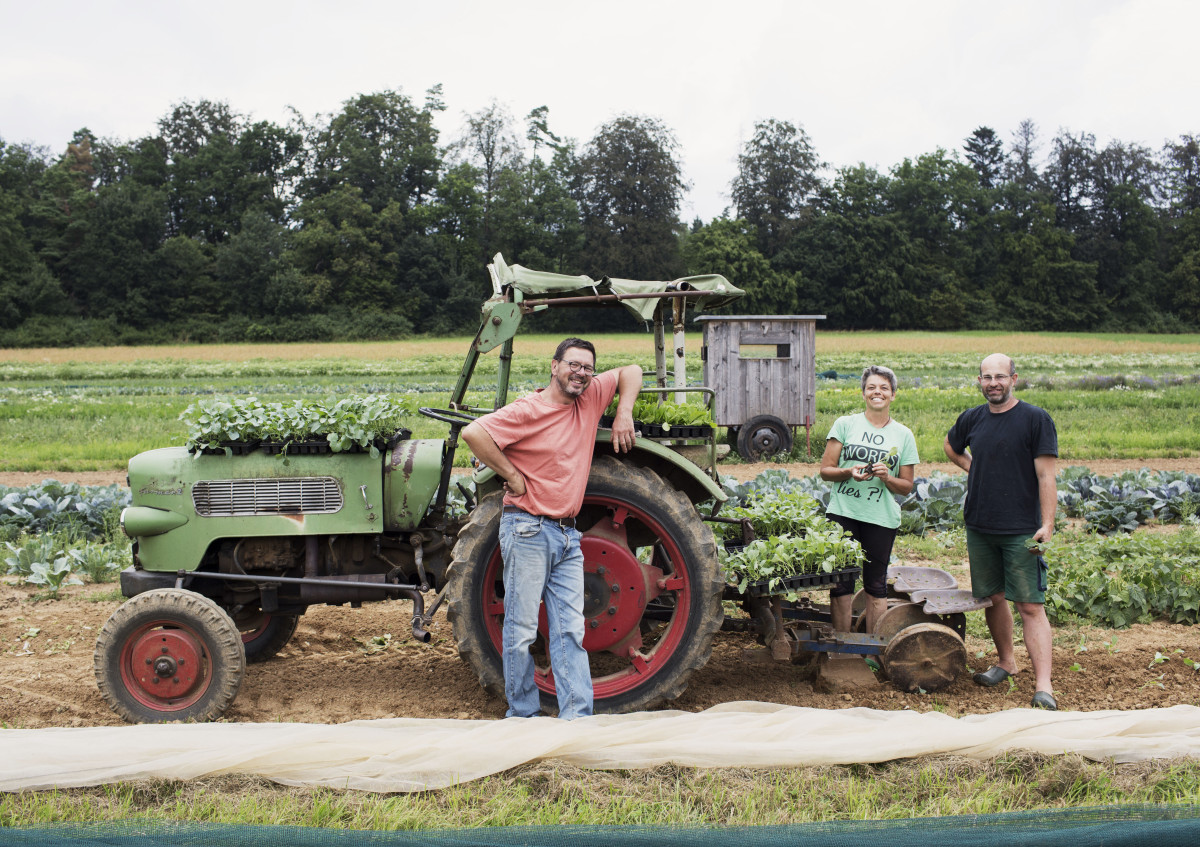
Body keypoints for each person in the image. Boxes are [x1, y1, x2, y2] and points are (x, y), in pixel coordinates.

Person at [460, 338, 642, 719]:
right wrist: (510, 474)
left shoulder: (589, 399)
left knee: (570, 631)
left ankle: (576, 717)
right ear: (555, 365)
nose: (581, 373)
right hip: (527, 528)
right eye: (573, 365)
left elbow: (631, 371)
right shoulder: (529, 409)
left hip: (567, 536)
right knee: (523, 629)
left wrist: (624, 411)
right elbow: (474, 433)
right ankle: (522, 713)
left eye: (588, 368)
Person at [943, 353, 1059, 711]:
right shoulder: (973, 418)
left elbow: (1046, 475)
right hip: (980, 524)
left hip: (1020, 528)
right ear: (979, 380)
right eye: (986, 377)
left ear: (1014, 378)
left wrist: (1048, 523)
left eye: (1000, 376)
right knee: (993, 598)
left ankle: (1044, 686)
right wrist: (971, 466)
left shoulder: (1035, 419)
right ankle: (1006, 662)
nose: (993, 382)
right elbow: (951, 446)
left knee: (1029, 605)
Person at [820, 365, 918, 634]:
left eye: (884, 388)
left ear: (893, 395)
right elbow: (825, 471)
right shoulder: (845, 424)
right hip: (843, 513)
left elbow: (906, 487)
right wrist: (848, 472)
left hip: (880, 518)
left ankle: (873, 651)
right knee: (841, 582)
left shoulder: (904, 435)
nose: (878, 392)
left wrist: (887, 477)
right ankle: (842, 646)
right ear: (863, 393)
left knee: (875, 584)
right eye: (872, 387)